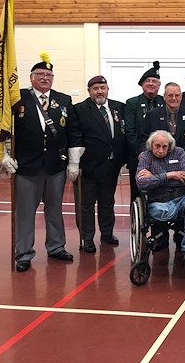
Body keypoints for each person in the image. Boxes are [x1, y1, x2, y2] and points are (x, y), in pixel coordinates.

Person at [1, 53, 82, 272]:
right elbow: (2, 129)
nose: (45, 78)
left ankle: (56, 247)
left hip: (55, 166)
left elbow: (73, 132)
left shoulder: (63, 100)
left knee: (55, 210)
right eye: (41, 74)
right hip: (27, 167)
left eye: (49, 75)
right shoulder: (17, 98)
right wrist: (4, 156)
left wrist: (73, 162)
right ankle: (24, 253)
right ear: (31, 77)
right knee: (25, 212)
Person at [135, 130, 185, 273]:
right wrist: (170, 175)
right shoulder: (146, 157)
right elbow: (141, 183)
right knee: (162, 212)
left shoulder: (179, 153)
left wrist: (154, 178)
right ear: (151, 145)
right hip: (158, 202)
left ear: (170, 146)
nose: (161, 150)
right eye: (157, 146)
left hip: (181, 198)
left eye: (164, 147)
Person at [73, 75, 128, 252]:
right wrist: (76, 164)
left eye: (102, 88)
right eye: (95, 88)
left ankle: (107, 233)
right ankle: (87, 238)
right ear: (89, 91)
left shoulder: (119, 107)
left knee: (107, 203)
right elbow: (75, 138)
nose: (99, 91)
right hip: (88, 167)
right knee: (86, 205)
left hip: (111, 167)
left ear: (107, 89)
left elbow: (122, 134)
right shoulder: (79, 109)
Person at [125, 61, 164, 203]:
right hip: (138, 157)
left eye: (155, 81)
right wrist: (141, 154)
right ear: (142, 84)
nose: (151, 84)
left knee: (160, 192)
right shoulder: (132, 103)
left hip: (161, 157)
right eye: (148, 81)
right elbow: (130, 131)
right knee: (137, 195)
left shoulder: (164, 102)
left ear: (159, 86)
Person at [142, 82, 185, 168]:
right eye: (170, 95)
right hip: (157, 163)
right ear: (164, 97)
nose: (174, 98)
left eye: (177, 95)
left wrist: (182, 154)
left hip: (184, 162)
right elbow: (144, 137)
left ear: (181, 97)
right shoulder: (152, 115)